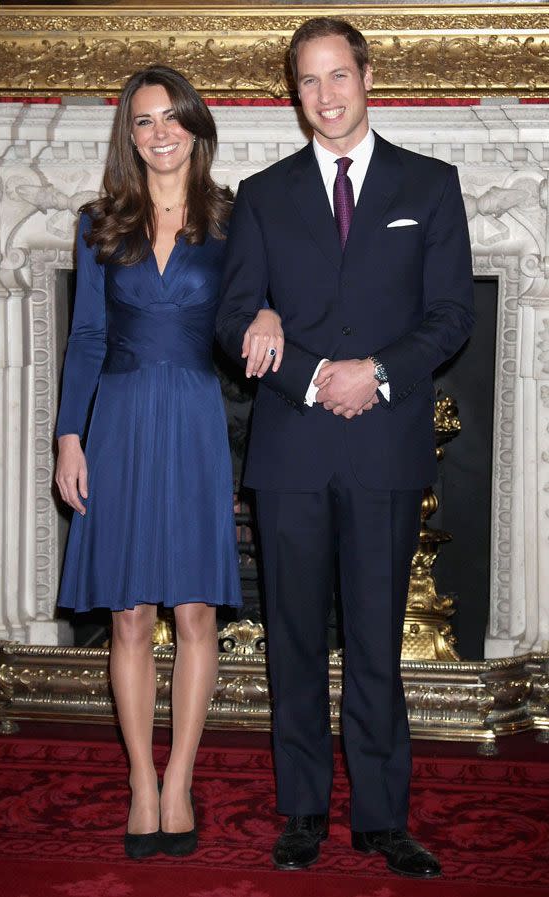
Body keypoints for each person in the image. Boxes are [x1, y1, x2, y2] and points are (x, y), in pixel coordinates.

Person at [216, 17, 474, 879]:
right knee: (291, 637)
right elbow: (234, 315)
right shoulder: (262, 194)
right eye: (306, 82)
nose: (324, 96)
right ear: (294, 95)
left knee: (374, 637)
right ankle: (301, 811)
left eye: (337, 76)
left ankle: (380, 817)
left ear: (366, 76)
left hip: (386, 445)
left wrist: (377, 373)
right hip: (290, 448)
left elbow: (451, 317)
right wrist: (311, 367)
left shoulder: (430, 187)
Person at [54, 65, 268, 860]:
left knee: (196, 612)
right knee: (130, 614)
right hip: (119, 419)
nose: (160, 133)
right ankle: (142, 780)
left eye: (172, 117)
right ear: (129, 135)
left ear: (196, 126)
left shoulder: (237, 220)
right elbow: (85, 337)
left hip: (192, 417)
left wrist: (271, 310)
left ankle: (182, 779)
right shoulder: (99, 222)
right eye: (144, 121)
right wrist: (69, 436)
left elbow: (249, 311)